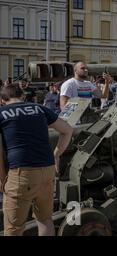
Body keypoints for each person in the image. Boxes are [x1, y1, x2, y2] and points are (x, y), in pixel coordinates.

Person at [0, 84, 73, 236]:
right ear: (23, 96)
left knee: (13, 229)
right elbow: (67, 130)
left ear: (2, 100)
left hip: (21, 174)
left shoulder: (2, 112)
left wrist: (1, 179)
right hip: (47, 170)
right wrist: (56, 155)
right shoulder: (39, 108)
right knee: (45, 220)